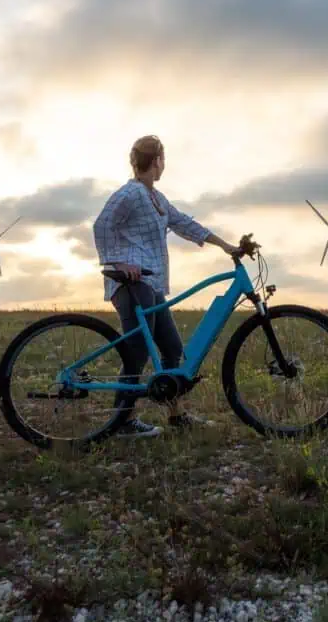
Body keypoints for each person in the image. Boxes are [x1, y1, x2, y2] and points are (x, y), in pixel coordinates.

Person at [92, 134, 243, 437]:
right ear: (157, 160)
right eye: (164, 159)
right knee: (136, 353)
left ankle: (176, 415)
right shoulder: (131, 193)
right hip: (133, 284)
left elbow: (184, 223)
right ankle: (122, 422)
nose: (164, 165)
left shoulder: (155, 198)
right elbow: (101, 224)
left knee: (172, 350)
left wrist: (226, 246)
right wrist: (118, 263)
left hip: (151, 284)